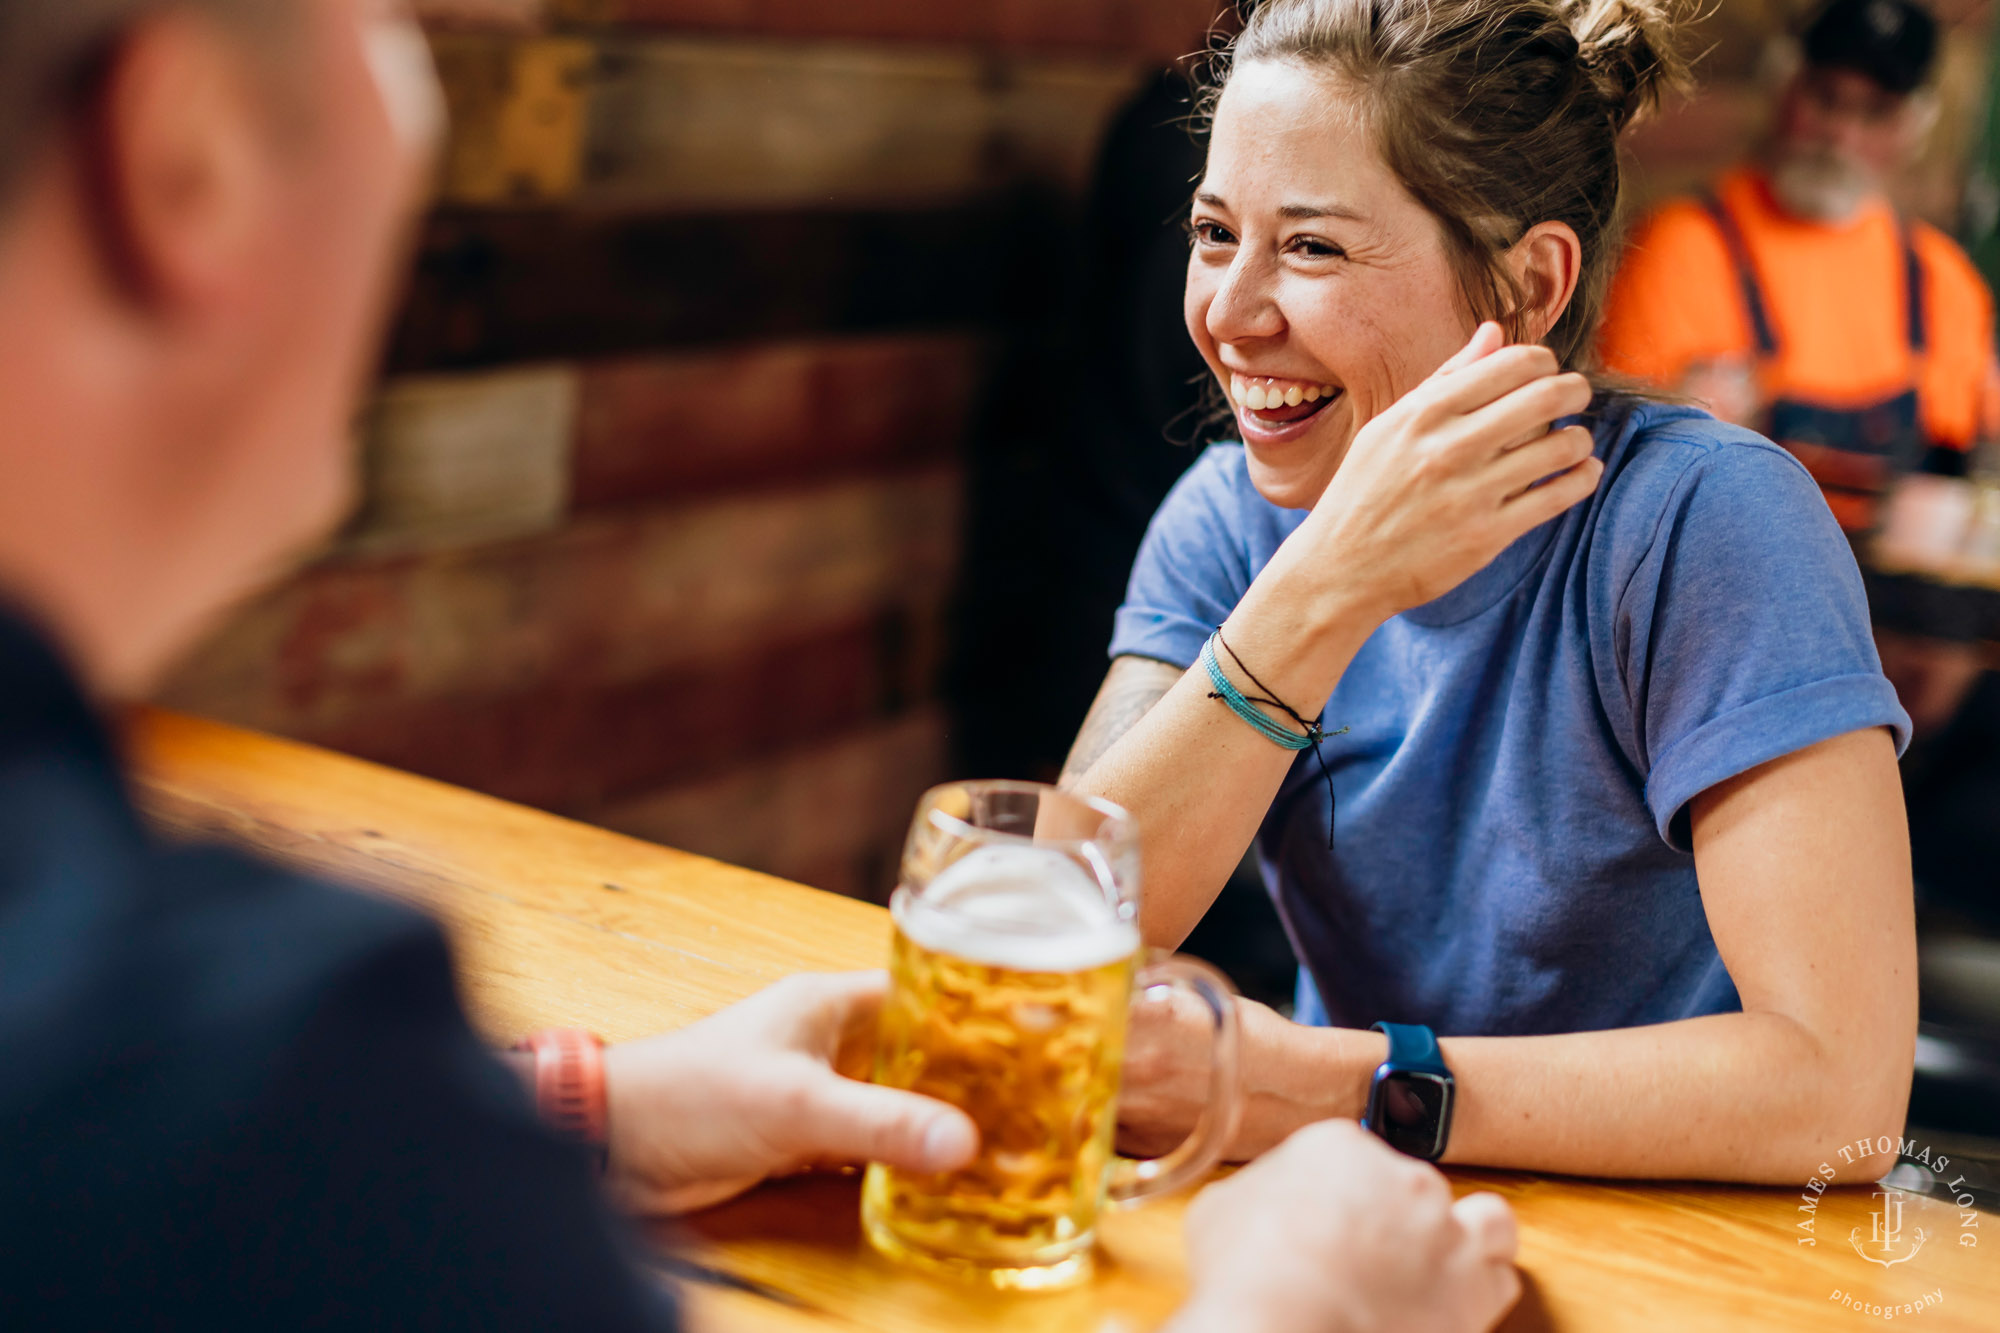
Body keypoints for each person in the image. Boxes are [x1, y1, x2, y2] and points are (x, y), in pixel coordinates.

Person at [0, 1, 1522, 1329]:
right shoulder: (228, 1055)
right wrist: (1293, 1310)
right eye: (397, 26)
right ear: (182, 154)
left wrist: (592, 1106)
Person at [1064, 0, 1919, 1183]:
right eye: (1215, 233)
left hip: (1686, 1241)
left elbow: (1842, 1099)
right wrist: (1318, 588)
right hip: (1363, 1209)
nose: (1226, 312)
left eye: (1309, 246)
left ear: (1526, 286)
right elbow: (1048, 937)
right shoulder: (1226, 519)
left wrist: (1339, 1087)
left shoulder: (1699, 522)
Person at [1599, 0, 1997, 536]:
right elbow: (1624, 467)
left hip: (1897, 606)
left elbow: (1971, 470)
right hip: (1733, 575)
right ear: (1784, 89)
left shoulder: (1943, 280)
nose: (1841, 132)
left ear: (1912, 128)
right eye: (1825, 97)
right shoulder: (1680, 248)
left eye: (1875, 110)